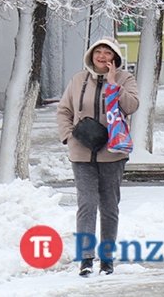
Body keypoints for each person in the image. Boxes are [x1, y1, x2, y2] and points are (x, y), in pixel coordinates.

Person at [56, 37, 139, 277]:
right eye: (98, 52)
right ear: (91, 55)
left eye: (107, 53)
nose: (102, 57)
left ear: (115, 57)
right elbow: (64, 110)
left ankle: (107, 258)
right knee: (86, 204)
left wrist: (113, 84)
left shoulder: (126, 79)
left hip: (112, 152)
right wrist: (68, 137)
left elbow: (132, 105)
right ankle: (86, 258)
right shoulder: (78, 80)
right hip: (81, 152)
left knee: (109, 206)